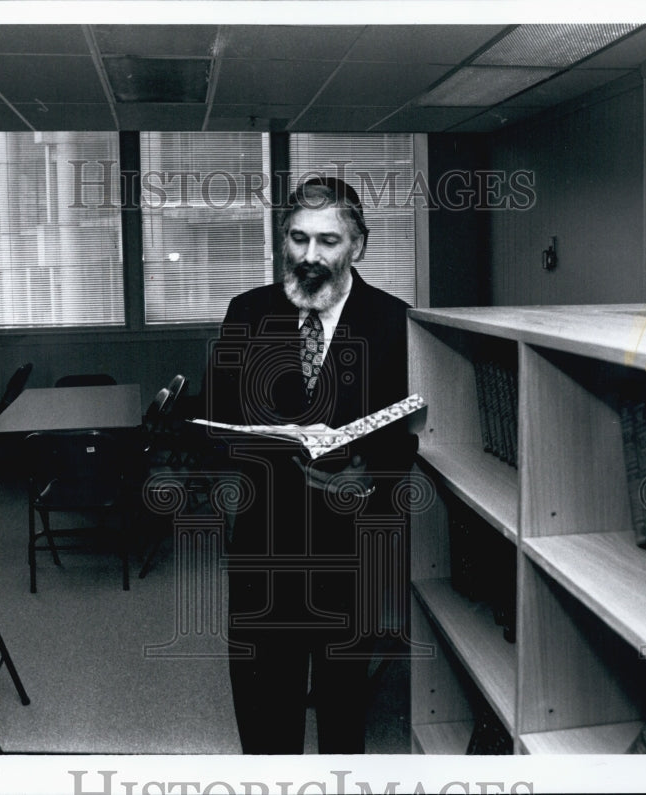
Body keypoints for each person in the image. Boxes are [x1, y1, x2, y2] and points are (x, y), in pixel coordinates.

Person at [201, 176, 417, 754]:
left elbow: (409, 439)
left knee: (344, 712)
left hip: (352, 553)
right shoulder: (245, 314)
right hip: (263, 547)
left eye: (328, 241)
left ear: (358, 247)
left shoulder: (398, 324)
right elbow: (216, 424)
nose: (310, 256)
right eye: (298, 239)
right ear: (283, 242)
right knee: (264, 713)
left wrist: (369, 477)